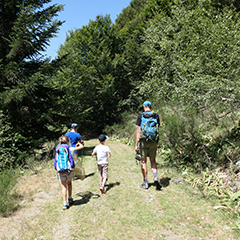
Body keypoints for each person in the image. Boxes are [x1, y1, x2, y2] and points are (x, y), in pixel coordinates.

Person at [135, 101, 162, 190]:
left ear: (144, 106)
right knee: (153, 160)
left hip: (143, 140)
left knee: (143, 161)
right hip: (153, 140)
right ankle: (155, 177)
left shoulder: (141, 116)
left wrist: (136, 145)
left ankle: (145, 182)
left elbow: (138, 132)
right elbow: (158, 129)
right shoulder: (156, 115)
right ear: (151, 106)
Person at [54, 135, 75, 210]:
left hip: (60, 170)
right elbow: (70, 158)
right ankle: (69, 198)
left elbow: (55, 159)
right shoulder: (67, 148)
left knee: (63, 186)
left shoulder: (58, 148)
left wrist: (56, 168)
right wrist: (72, 166)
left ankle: (64, 203)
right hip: (68, 169)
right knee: (69, 183)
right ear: (68, 142)